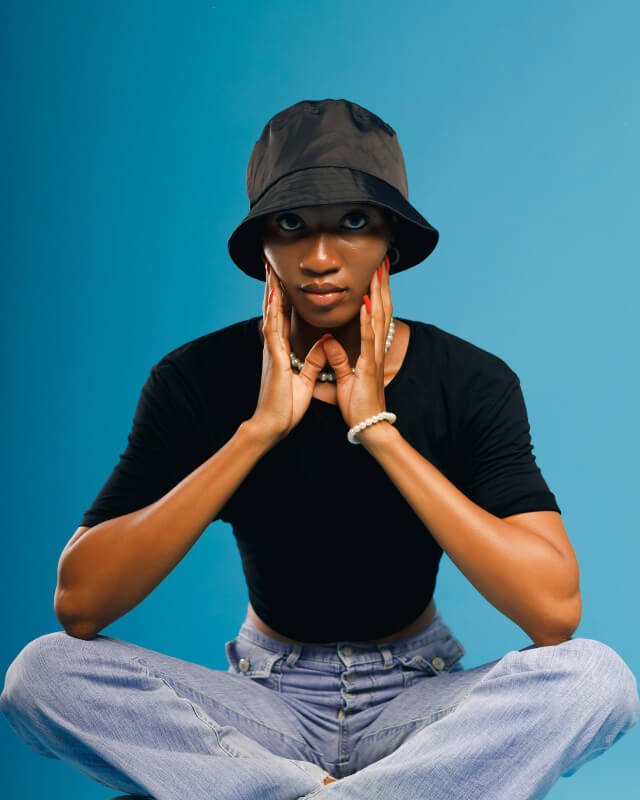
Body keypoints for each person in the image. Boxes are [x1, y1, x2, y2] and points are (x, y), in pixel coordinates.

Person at [1, 98, 638, 800]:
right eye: (292, 224)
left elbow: (553, 612)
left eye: (354, 222)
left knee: (595, 679)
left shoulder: (470, 381)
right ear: (263, 245)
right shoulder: (196, 378)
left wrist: (380, 434)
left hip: (418, 701)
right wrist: (257, 431)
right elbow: (81, 604)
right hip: (265, 704)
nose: (321, 258)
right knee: (41, 674)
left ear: (391, 240)